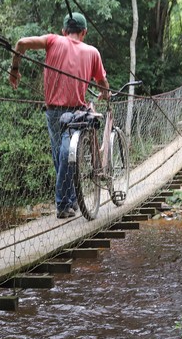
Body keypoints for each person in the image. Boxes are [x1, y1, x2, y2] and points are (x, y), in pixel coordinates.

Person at [9, 12, 110, 219]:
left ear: (64, 31)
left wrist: (14, 69)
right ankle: (70, 201)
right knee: (61, 158)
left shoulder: (52, 40)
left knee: (64, 156)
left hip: (55, 112)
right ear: (84, 32)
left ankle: (63, 204)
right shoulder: (92, 52)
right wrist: (105, 93)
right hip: (72, 113)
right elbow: (102, 82)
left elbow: (20, 43)